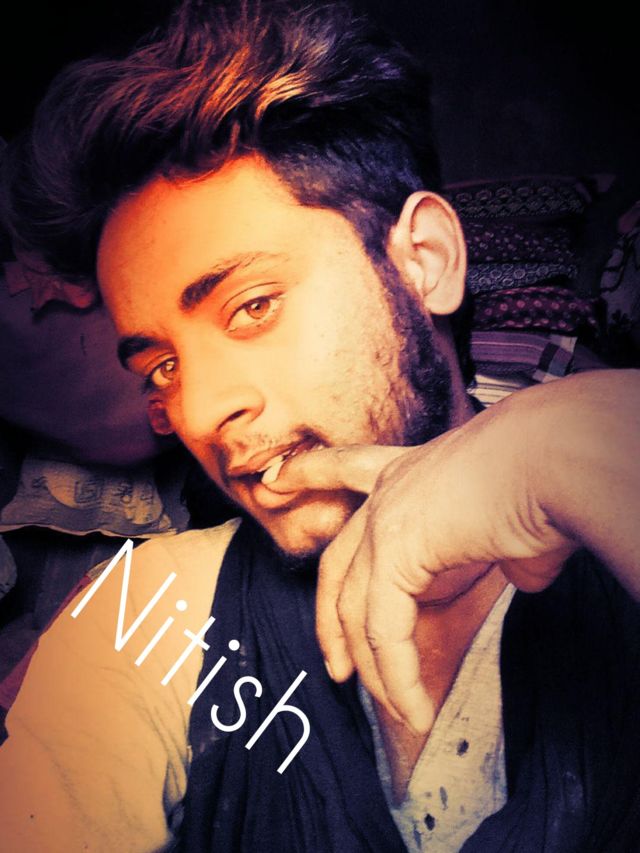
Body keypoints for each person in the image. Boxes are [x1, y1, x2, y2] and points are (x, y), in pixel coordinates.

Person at [0, 1, 639, 850]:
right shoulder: (148, 616)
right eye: (162, 367)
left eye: (253, 305)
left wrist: (578, 445)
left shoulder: (605, 506)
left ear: (425, 261)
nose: (199, 411)